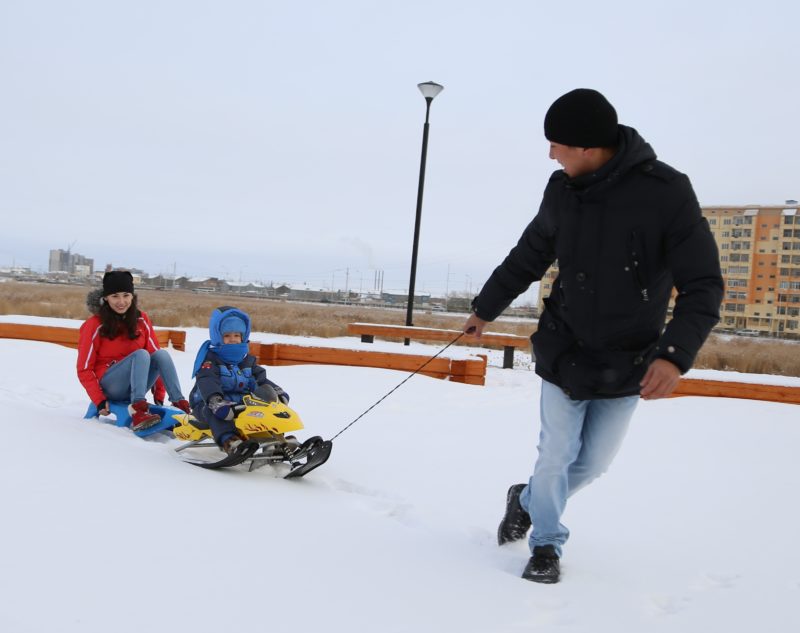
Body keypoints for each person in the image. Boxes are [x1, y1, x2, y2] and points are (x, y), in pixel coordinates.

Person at [463, 88, 723, 583]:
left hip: (630, 357)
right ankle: (546, 544)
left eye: (556, 144)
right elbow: (530, 251)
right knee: (557, 454)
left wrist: (674, 355)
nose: (550, 154)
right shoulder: (561, 189)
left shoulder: (667, 192)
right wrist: (485, 308)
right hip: (567, 346)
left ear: (587, 147)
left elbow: (704, 284)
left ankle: (526, 499)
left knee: (593, 463)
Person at [77, 270, 191, 431]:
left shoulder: (141, 319)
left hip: (136, 385)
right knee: (141, 355)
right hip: (110, 386)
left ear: (132, 296)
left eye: (126, 295)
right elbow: (84, 368)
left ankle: (180, 405)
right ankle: (138, 410)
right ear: (106, 298)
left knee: (161, 354)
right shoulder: (94, 325)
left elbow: (156, 358)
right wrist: (99, 400)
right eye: (115, 296)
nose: (121, 301)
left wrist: (159, 398)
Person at [188, 306, 289, 454]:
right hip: (208, 403)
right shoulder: (210, 360)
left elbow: (260, 380)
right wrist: (215, 400)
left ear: (243, 336)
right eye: (227, 335)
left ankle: (276, 440)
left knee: (262, 409)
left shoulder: (246, 360)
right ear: (218, 336)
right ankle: (229, 441)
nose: (233, 339)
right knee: (216, 413)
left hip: (240, 403)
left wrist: (276, 391)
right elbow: (207, 380)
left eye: (237, 335)